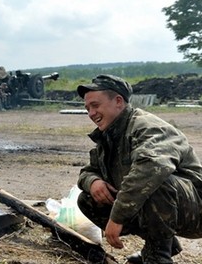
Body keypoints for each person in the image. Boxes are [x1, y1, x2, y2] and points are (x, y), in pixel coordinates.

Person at [75, 74, 202, 263]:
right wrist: (93, 182)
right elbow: (87, 171)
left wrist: (117, 218)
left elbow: (152, 169)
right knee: (87, 199)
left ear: (118, 101)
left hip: (196, 212)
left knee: (155, 183)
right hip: (171, 209)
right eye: (87, 108)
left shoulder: (148, 127)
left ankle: (157, 255)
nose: (91, 113)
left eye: (95, 105)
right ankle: (165, 244)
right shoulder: (110, 135)